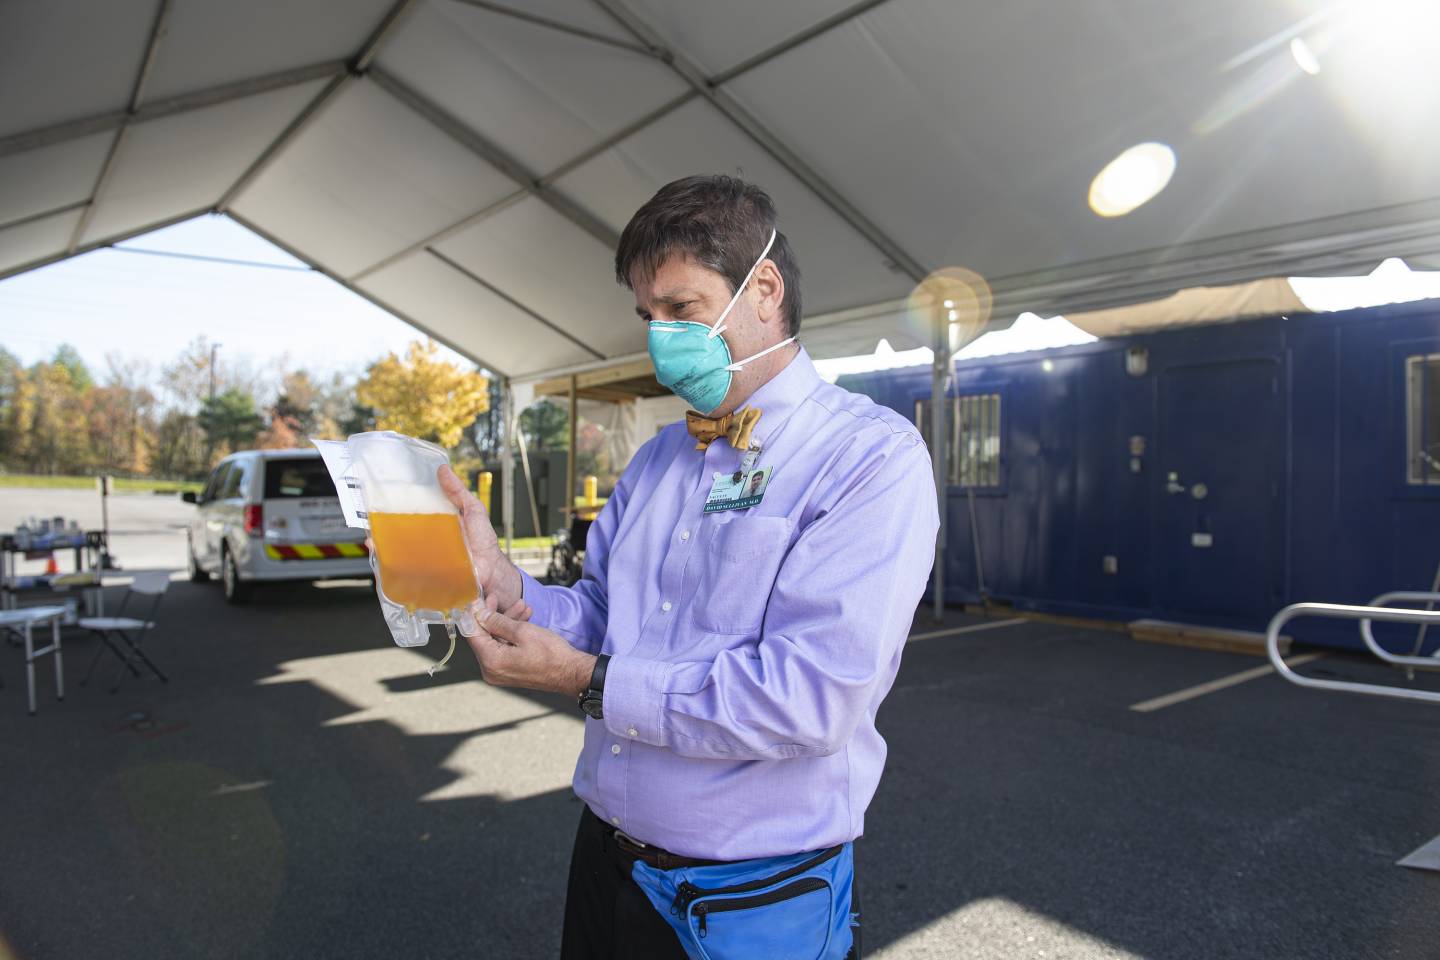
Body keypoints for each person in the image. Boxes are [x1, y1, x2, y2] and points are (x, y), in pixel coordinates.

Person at [439, 174, 939, 958]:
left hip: (753, 894)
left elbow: (810, 698)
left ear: (764, 287)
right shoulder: (660, 458)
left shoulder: (868, 458)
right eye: (647, 315)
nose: (659, 336)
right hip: (606, 860)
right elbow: (605, 614)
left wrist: (586, 679)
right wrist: (512, 589)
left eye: (681, 309)